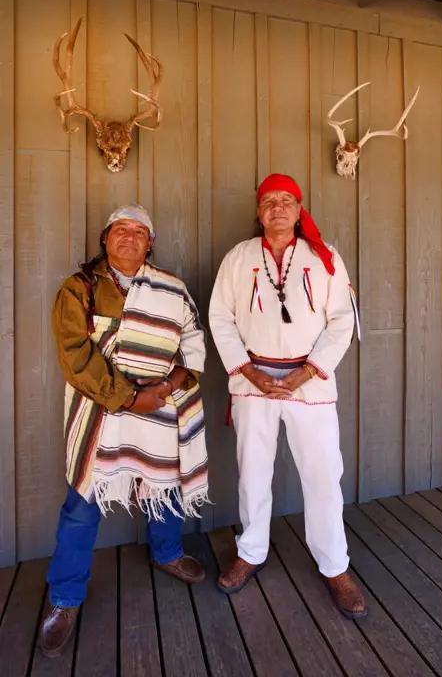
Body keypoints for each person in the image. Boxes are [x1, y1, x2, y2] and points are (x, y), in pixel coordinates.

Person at [40, 204, 209, 657]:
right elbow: (77, 357)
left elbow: (193, 343)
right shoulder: (79, 290)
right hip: (100, 412)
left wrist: (170, 385)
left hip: (159, 405)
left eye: (140, 231)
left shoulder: (172, 290)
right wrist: (132, 397)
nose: (130, 237)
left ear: (150, 242)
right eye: (121, 230)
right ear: (105, 238)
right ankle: (64, 598)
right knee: (81, 502)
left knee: (162, 486)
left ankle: (167, 552)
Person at [209, 174, 367, 619]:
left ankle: (335, 565)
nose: (277, 208)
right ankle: (251, 551)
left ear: (299, 211)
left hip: (310, 380)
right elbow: (220, 316)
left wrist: (306, 372)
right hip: (252, 380)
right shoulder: (239, 258)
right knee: (253, 472)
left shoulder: (326, 258)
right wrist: (246, 371)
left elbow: (342, 321)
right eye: (269, 202)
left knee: (322, 475)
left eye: (286, 201)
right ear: (258, 212)